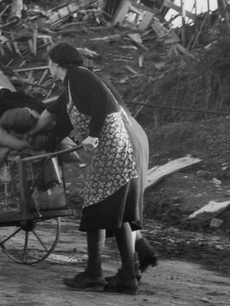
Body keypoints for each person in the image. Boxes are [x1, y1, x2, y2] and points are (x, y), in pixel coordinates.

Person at [26, 42, 147, 294]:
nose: (47, 66)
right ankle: (127, 276)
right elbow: (64, 119)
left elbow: (102, 100)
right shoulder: (71, 86)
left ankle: (94, 273)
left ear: (57, 63)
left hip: (111, 150)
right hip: (115, 151)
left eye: (48, 62)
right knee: (118, 213)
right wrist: (48, 144)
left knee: (94, 206)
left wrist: (92, 135)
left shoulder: (80, 76)